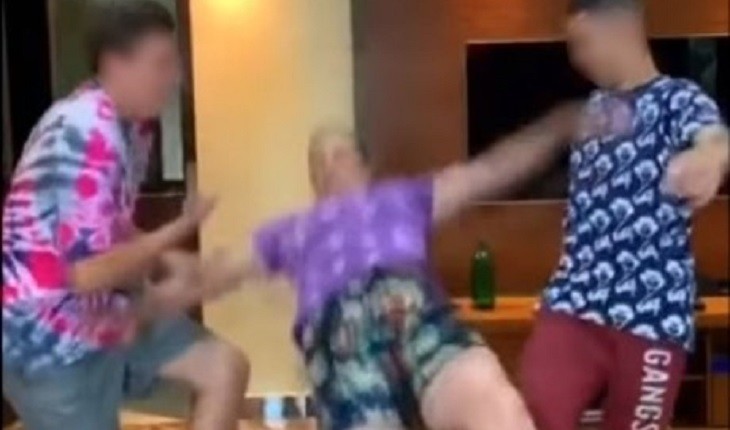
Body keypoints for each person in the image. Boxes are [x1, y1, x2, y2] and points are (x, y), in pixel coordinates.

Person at [214, 104, 583, 430]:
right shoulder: (292, 229)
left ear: (365, 165)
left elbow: (490, 170)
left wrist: (557, 126)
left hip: (414, 310)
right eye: (318, 164)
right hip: (340, 337)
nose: (329, 168)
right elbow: (221, 269)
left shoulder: (406, 197)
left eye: (339, 154)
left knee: (498, 408)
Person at [2, 2, 248, 430]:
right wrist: (177, 231)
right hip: (48, 344)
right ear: (116, 64)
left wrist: (174, 264)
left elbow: (109, 227)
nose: (174, 78)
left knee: (223, 367)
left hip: (104, 314)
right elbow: (86, 273)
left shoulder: (132, 126)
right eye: (161, 64)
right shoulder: (87, 132)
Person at [519, 1, 730, 429]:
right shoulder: (593, 111)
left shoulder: (679, 98)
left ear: (622, 31)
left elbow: (713, 136)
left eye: (583, 43)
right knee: (531, 415)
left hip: (651, 316)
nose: (576, 58)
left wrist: (710, 158)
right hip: (574, 303)